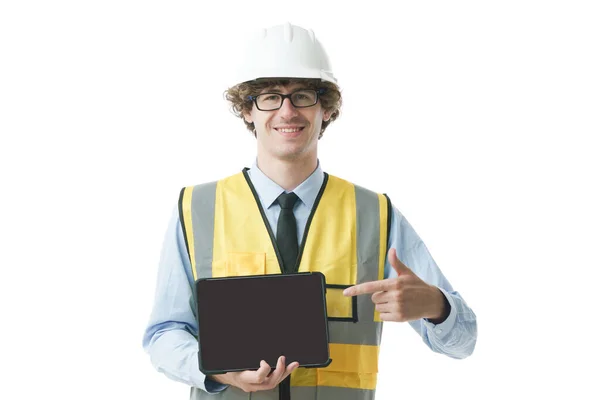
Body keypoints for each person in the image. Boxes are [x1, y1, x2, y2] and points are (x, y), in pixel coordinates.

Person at [142, 22, 477, 400]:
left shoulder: (375, 214)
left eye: (302, 95)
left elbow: (464, 341)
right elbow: (163, 334)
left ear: (326, 109)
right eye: (269, 96)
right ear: (248, 111)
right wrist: (219, 373)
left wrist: (436, 306)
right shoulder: (197, 208)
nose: (287, 110)